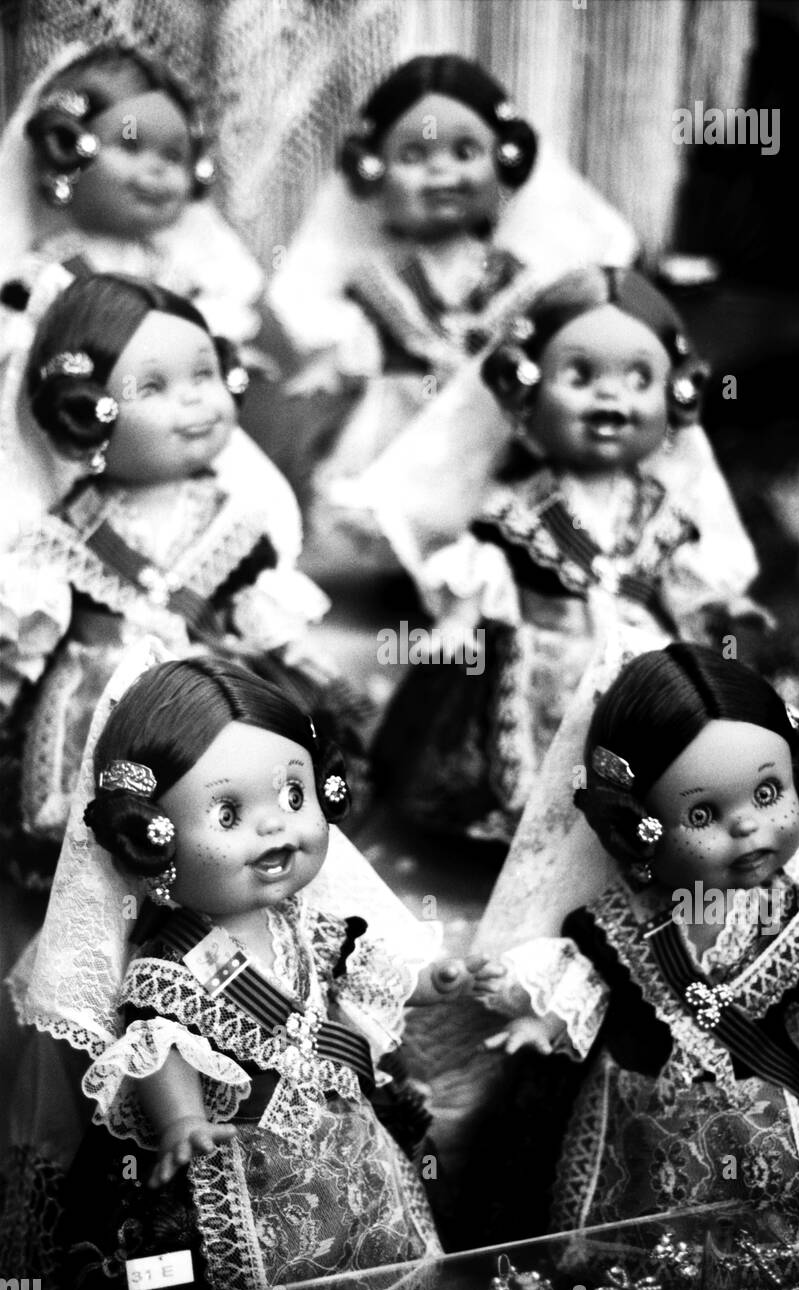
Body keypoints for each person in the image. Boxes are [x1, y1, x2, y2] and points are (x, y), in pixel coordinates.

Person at [4, 650, 493, 1290]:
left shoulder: (305, 925)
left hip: (344, 1138)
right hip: (240, 1157)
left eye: (294, 794)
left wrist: (432, 984)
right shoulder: (171, 961)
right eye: (227, 815)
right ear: (151, 839)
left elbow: (360, 974)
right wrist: (180, 1123)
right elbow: (155, 1045)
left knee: (375, 1243)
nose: (277, 825)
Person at [473, 644, 799, 1290]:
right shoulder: (617, 922)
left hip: (762, 1118)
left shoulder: (795, 917)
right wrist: (544, 1026)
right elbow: (587, 985)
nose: (749, 828)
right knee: (641, 1235)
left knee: (772, 1235)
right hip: (640, 1111)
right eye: (702, 814)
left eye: (768, 793)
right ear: (637, 824)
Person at [372, 267, 764, 842]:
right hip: (541, 659)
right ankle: (532, 837)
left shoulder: (661, 509)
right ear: (526, 394)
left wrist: (726, 601)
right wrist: (457, 621)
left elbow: (678, 578)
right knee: (534, 762)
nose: (610, 395)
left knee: (655, 745)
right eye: (579, 376)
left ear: (675, 396)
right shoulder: (519, 509)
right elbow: (481, 571)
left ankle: (647, 823)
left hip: (639, 658)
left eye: (638, 380)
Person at [0, 270, 345, 893]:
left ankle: (217, 884)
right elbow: (31, 635)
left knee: (221, 800)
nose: (195, 401)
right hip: (99, 701)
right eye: (153, 386)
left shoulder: (235, 522)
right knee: (102, 833)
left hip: (205, 693)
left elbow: (253, 604)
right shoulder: (65, 535)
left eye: (205, 375)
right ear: (84, 409)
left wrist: (296, 653)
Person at [267, 53, 637, 570]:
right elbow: (372, 344)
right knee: (365, 511)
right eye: (414, 156)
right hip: (397, 417)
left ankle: (482, 570)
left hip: (485, 422)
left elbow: (529, 333)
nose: (441, 170)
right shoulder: (381, 280)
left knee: (506, 490)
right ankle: (403, 560)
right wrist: (336, 364)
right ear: (374, 170)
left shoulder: (511, 273)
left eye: (465, 152)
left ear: (503, 162)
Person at [0, 40, 296, 506]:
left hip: (181, 441)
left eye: (175, 156)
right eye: (131, 145)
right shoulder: (52, 273)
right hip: (86, 451)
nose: (157, 169)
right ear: (64, 152)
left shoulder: (179, 268)